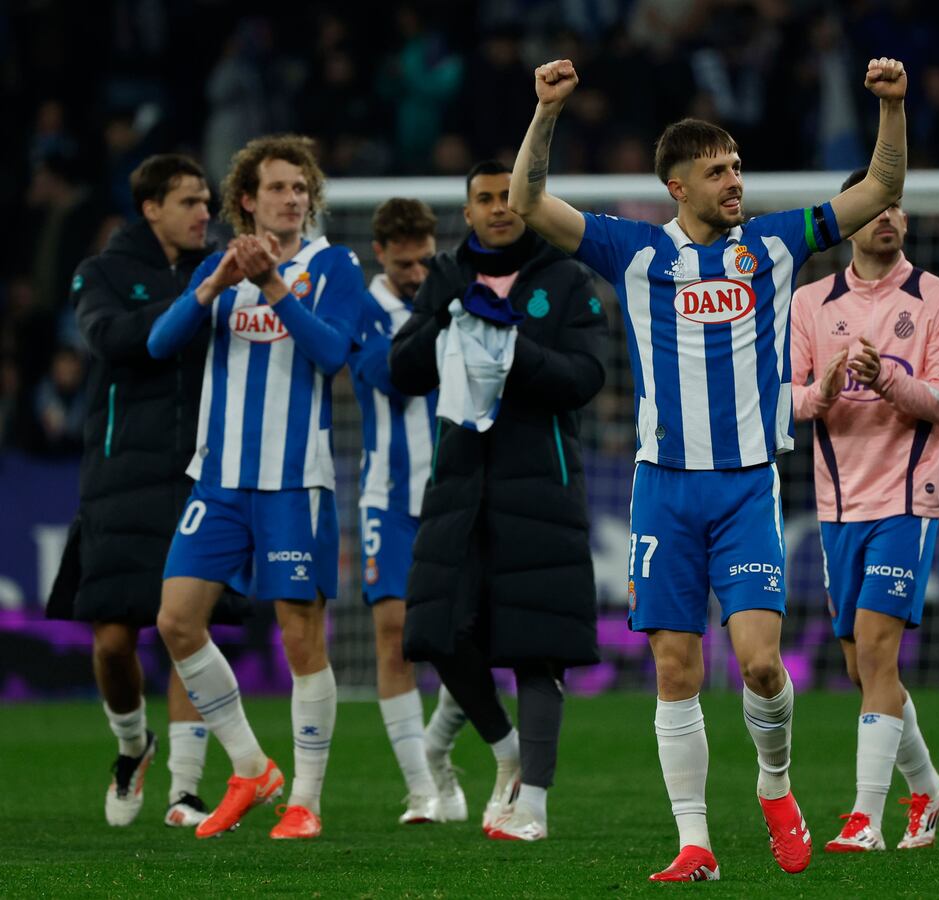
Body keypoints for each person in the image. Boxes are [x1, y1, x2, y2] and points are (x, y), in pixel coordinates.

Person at [508, 57, 910, 881]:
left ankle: (775, 785)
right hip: (664, 489)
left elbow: (876, 187)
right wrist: (546, 113)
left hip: (745, 487)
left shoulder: (771, 243)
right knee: (673, 666)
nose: (734, 180)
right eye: (717, 171)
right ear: (677, 186)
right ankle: (695, 842)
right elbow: (526, 204)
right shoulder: (632, 250)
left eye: (736, 166)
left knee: (762, 663)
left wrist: (893, 108)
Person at [147, 135, 361, 840]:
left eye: (301, 187)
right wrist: (214, 284)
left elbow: (333, 354)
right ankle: (249, 765)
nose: (293, 198)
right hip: (219, 477)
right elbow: (159, 343)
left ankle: (305, 800)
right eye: (278, 187)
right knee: (177, 620)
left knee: (302, 638)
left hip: (294, 482)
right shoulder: (218, 265)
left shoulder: (333, 264)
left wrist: (272, 285)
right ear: (248, 198)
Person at [390, 160, 606, 842]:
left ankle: (533, 806)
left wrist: (513, 347)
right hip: (458, 490)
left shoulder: (567, 278)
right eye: (484, 198)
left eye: (508, 196)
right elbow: (402, 369)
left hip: (539, 487)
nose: (498, 208)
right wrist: (446, 324)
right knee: (437, 634)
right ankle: (508, 752)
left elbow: (585, 377)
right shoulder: (447, 279)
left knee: (537, 650)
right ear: (469, 210)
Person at [46, 154, 249, 829]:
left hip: (198, 473)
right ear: (151, 208)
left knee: (185, 632)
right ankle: (133, 745)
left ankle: (185, 790)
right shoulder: (101, 272)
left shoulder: (220, 267)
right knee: (111, 639)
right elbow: (113, 338)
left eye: (206, 202)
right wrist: (196, 297)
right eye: (189, 201)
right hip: (119, 476)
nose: (202, 213)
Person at [791, 168, 939, 852]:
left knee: (875, 650)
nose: (887, 215)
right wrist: (824, 391)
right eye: (873, 206)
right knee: (862, 669)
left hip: (906, 498)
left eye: (896, 204)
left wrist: (887, 378)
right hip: (838, 505)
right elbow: (783, 398)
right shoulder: (810, 302)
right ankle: (928, 787)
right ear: (849, 219)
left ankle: (864, 817)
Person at [348, 197, 469, 824]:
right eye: (404, 266)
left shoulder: (453, 291)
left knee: (467, 638)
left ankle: (438, 751)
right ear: (380, 254)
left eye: (425, 261)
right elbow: (389, 376)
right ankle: (422, 787)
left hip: (453, 492)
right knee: (393, 635)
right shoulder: (362, 308)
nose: (418, 274)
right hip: (389, 499)